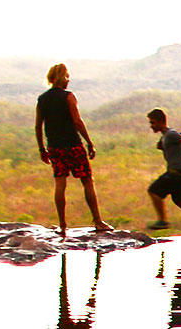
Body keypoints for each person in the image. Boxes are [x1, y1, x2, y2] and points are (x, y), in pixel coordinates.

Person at [35, 63, 113, 236]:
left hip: (55, 148)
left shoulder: (42, 99)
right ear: (62, 78)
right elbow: (77, 121)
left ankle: (62, 226)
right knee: (87, 181)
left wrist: (42, 149)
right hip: (73, 145)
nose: (68, 80)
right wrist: (89, 142)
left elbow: (38, 126)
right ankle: (98, 221)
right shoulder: (69, 97)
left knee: (60, 183)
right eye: (67, 76)